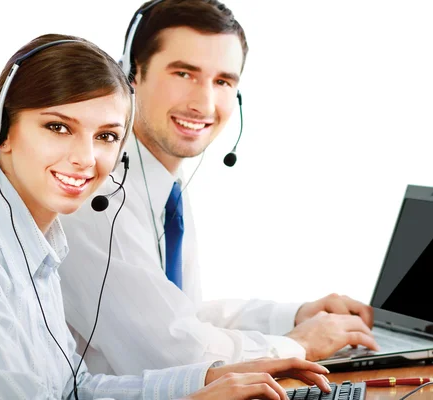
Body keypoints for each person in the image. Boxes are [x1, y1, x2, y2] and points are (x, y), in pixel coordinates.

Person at [0, 33, 331, 399]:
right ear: (1, 130)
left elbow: (75, 388)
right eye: (58, 127)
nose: (86, 159)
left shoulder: (39, 241)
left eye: (106, 136)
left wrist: (210, 377)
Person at [59, 0, 379, 378]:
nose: (204, 104)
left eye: (223, 81)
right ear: (132, 74)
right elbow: (175, 354)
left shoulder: (165, 184)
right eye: (183, 74)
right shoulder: (97, 192)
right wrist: (299, 344)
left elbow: (181, 314)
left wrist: (293, 316)